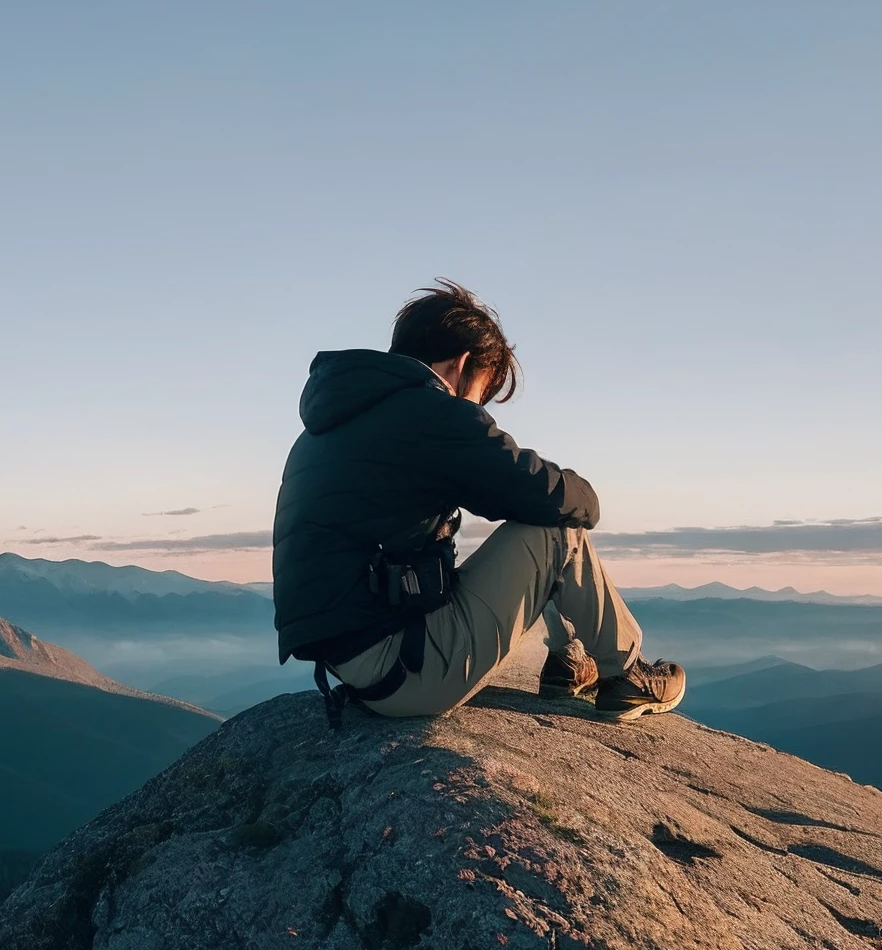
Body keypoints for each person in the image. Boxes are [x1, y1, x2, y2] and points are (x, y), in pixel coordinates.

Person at [271, 280, 684, 724]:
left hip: (357, 666)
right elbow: (548, 496)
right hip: (404, 671)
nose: (476, 407)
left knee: (533, 520)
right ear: (461, 364)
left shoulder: (334, 422)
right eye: (480, 394)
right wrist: (587, 493)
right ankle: (625, 673)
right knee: (554, 530)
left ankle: (569, 661)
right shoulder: (432, 412)